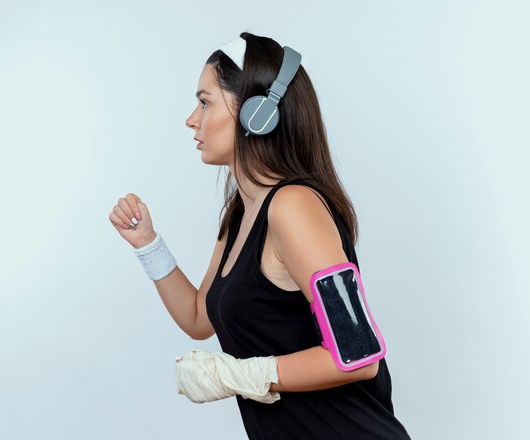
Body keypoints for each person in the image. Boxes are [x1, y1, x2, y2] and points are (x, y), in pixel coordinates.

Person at [109, 32, 412, 440]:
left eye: (205, 102)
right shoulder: (240, 214)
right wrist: (149, 245)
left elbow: (359, 355)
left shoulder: (293, 207)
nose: (191, 119)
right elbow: (200, 318)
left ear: (257, 114)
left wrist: (241, 374)